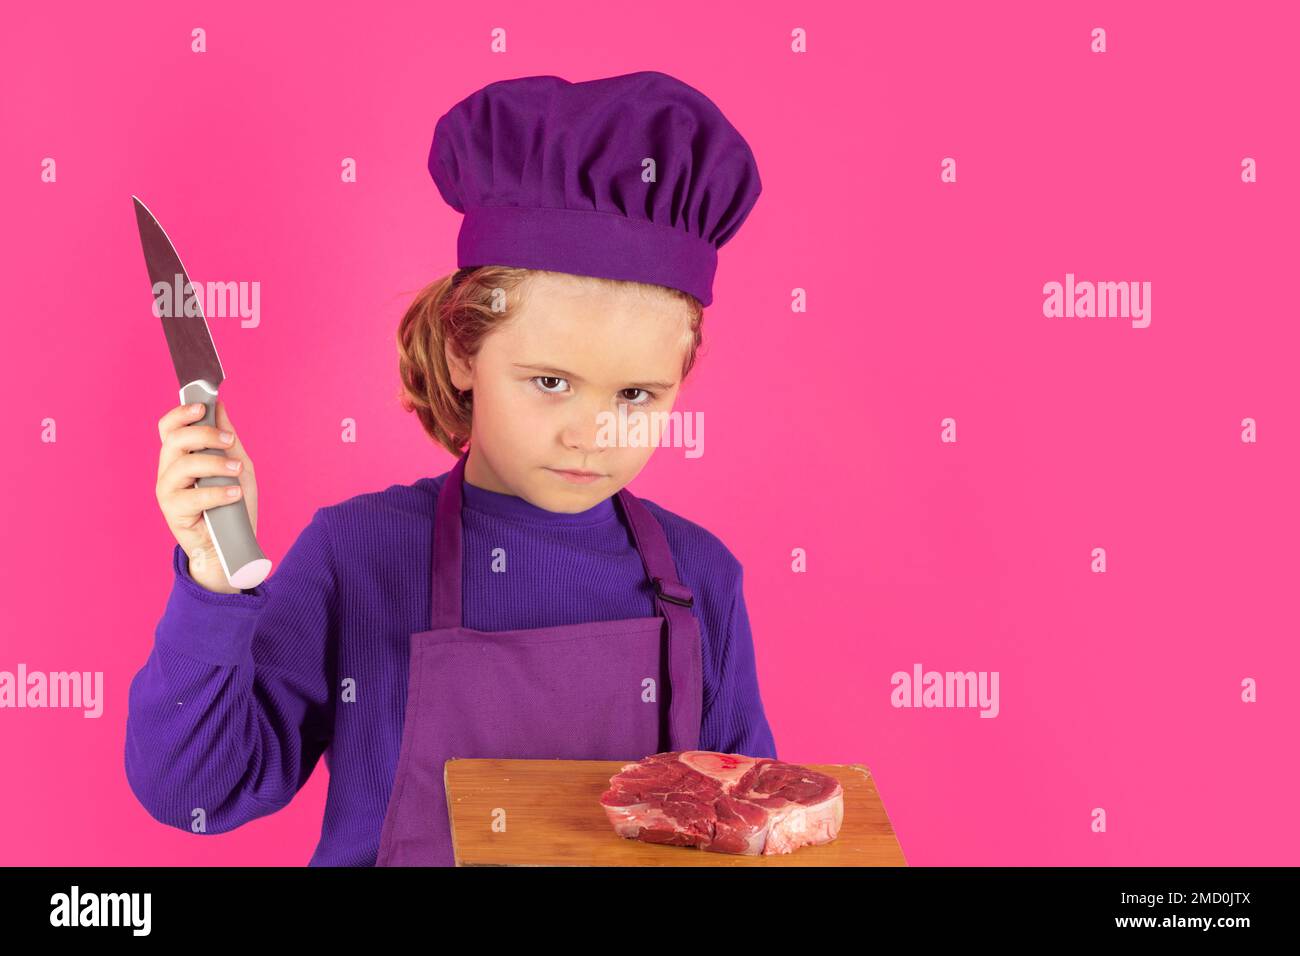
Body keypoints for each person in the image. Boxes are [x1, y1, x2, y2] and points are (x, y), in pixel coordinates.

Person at [127, 70, 776, 867]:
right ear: (464, 349)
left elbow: (751, 840)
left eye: (636, 393)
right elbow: (198, 790)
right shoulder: (358, 553)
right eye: (550, 382)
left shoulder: (701, 578)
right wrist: (213, 583)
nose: (590, 434)